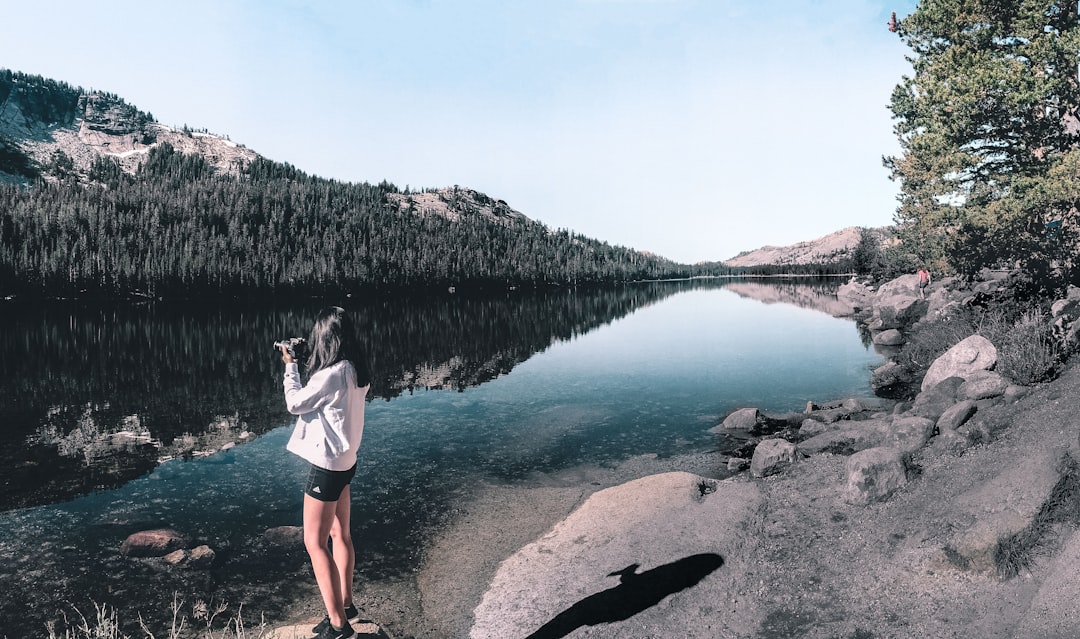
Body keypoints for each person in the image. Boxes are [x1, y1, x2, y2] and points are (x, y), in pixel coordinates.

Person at [280, 306, 371, 639]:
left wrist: (290, 367)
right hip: (347, 462)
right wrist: (307, 359)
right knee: (340, 535)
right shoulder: (355, 368)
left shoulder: (331, 374)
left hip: (327, 468)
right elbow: (326, 393)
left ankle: (337, 624)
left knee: (314, 542)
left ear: (326, 338)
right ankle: (346, 605)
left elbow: (296, 403)